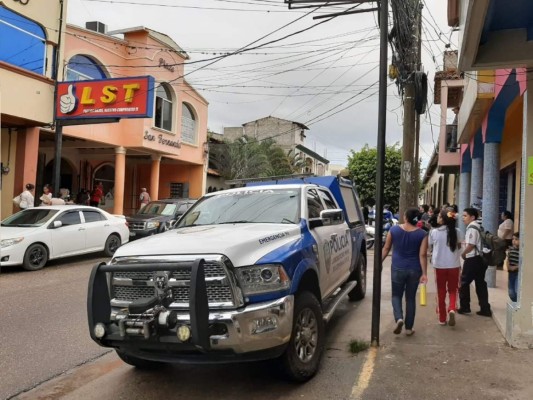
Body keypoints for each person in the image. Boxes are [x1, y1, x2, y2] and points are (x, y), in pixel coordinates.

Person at [382, 207, 428, 336]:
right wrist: (424, 273)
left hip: (398, 268)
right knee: (410, 298)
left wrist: (378, 263)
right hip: (415, 269)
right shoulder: (422, 234)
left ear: (406, 217)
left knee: (396, 295)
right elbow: (423, 255)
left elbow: (386, 248)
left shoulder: (394, 230)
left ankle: (399, 318)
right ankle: (408, 328)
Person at [429, 209, 463, 326]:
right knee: (453, 290)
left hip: (439, 266)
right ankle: (452, 308)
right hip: (454, 265)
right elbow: (459, 247)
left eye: (439, 216)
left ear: (442, 219)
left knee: (441, 291)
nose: (437, 217)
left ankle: (442, 318)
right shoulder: (457, 231)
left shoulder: (434, 232)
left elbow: (431, 247)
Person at [458, 207, 492, 317]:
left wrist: (463, 254)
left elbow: (471, 245)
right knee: (480, 283)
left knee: (463, 282)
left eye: (465, 216)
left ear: (472, 217)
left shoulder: (472, 227)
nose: (463, 218)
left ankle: (465, 307)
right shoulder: (479, 226)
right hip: (481, 259)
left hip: (473, 259)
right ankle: (485, 308)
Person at [506, 232, 520, 302]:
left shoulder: (522, 251)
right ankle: (515, 303)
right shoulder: (510, 249)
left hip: (518, 273)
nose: (514, 241)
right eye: (513, 239)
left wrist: (516, 267)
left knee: (517, 290)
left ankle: (517, 305)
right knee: (511, 292)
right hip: (511, 273)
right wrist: (508, 266)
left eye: (516, 239)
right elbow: (508, 259)